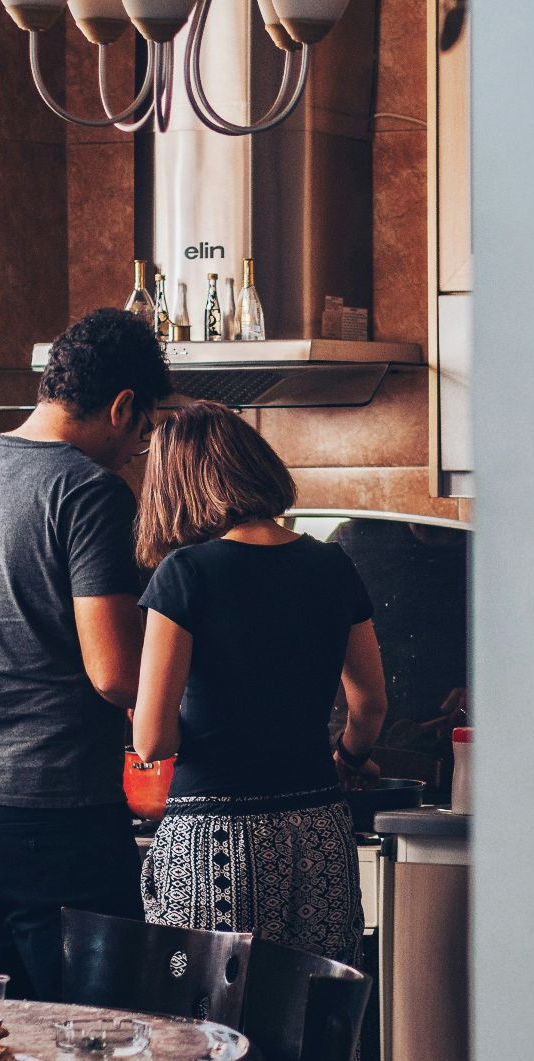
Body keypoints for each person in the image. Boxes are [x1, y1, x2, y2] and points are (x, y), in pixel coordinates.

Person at [0, 309, 168, 1000]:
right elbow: (115, 675)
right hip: (49, 814)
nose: (134, 451)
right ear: (122, 407)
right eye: (143, 434)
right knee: (102, 1042)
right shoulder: (89, 491)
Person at [131, 402, 387, 964]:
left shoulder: (186, 573)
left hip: (214, 839)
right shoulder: (331, 564)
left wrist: (151, 716)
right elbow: (369, 703)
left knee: (206, 1033)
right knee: (314, 1019)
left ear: (176, 486)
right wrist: (347, 758)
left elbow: (152, 742)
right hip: (318, 827)